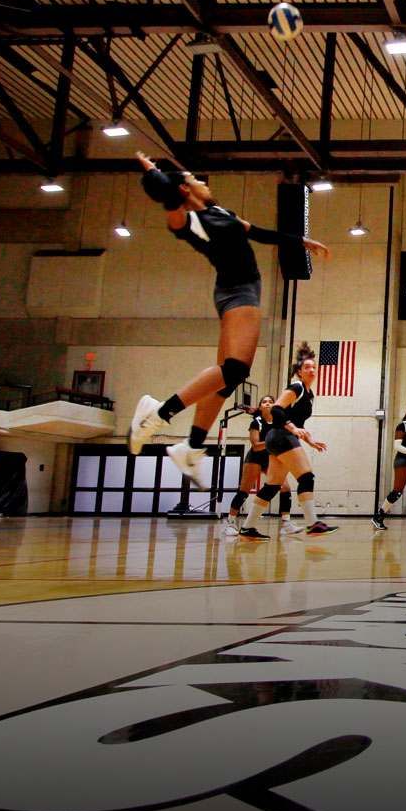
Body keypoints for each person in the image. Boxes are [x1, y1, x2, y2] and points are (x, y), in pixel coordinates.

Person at [125, 154, 329, 487]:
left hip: (240, 291)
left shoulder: (220, 213)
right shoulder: (187, 221)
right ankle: (159, 413)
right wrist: (153, 172)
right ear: (184, 189)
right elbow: (168, 196)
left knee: (226, 379)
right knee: (235, 369)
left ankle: (191, 446)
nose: (204, 183)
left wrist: (301, 241)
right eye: (195, 179)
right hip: (238, 292)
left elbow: (258, 233)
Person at [245, 343, 338, 537]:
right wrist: (294, 428)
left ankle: (247, 528)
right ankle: (312, 524)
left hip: (277, 438)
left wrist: (309, 440)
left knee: (272, 486)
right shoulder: (297, 387)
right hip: (281, 436)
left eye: (314, 367)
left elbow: (297, 423)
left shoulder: (308, 393)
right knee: (306, 477)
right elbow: (277, 409)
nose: (312, 370)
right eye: (307, 368)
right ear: (299, 371)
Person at [224, 393, 276, 540]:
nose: (267, 403)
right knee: (244, 491)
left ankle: (286, 523)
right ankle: (230, 523)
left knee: (283, 486)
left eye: (270, 402)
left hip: (269, 458)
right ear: (260, 407)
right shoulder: (257, 422)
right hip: (255, 457)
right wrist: (273, 443)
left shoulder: (279, 423)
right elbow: (256, 446)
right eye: (264, 402)